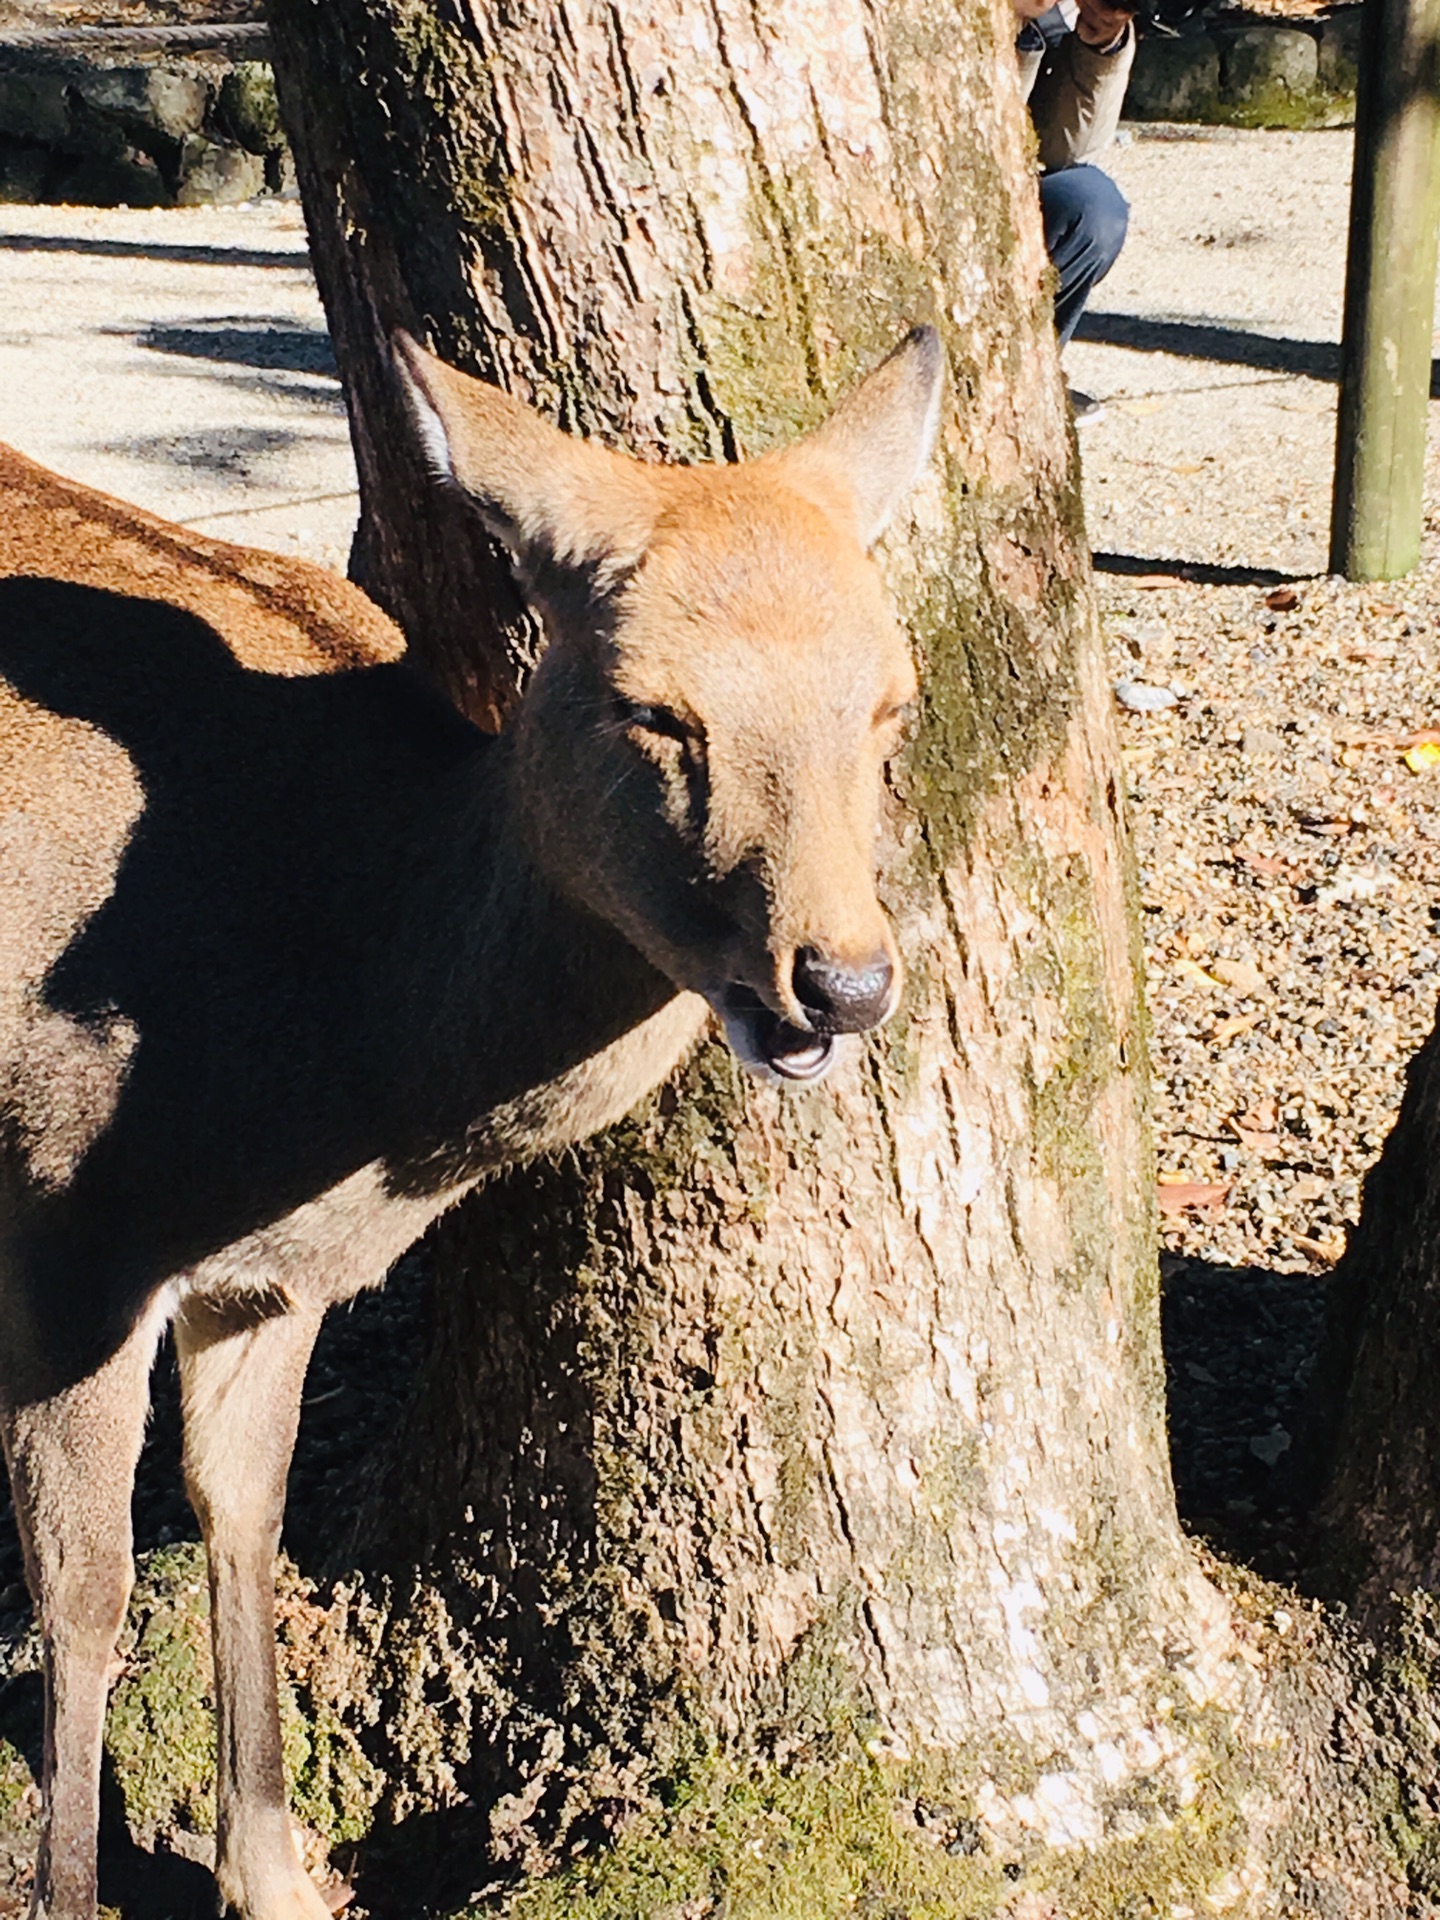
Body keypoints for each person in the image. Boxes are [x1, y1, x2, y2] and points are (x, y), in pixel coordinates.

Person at [1016, 0, 1136, 416]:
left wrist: (1100, 38)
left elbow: (1068, 145)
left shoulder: (1054, 14)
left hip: (1006, 198)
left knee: (1093, 206)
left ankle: (1028, 377)